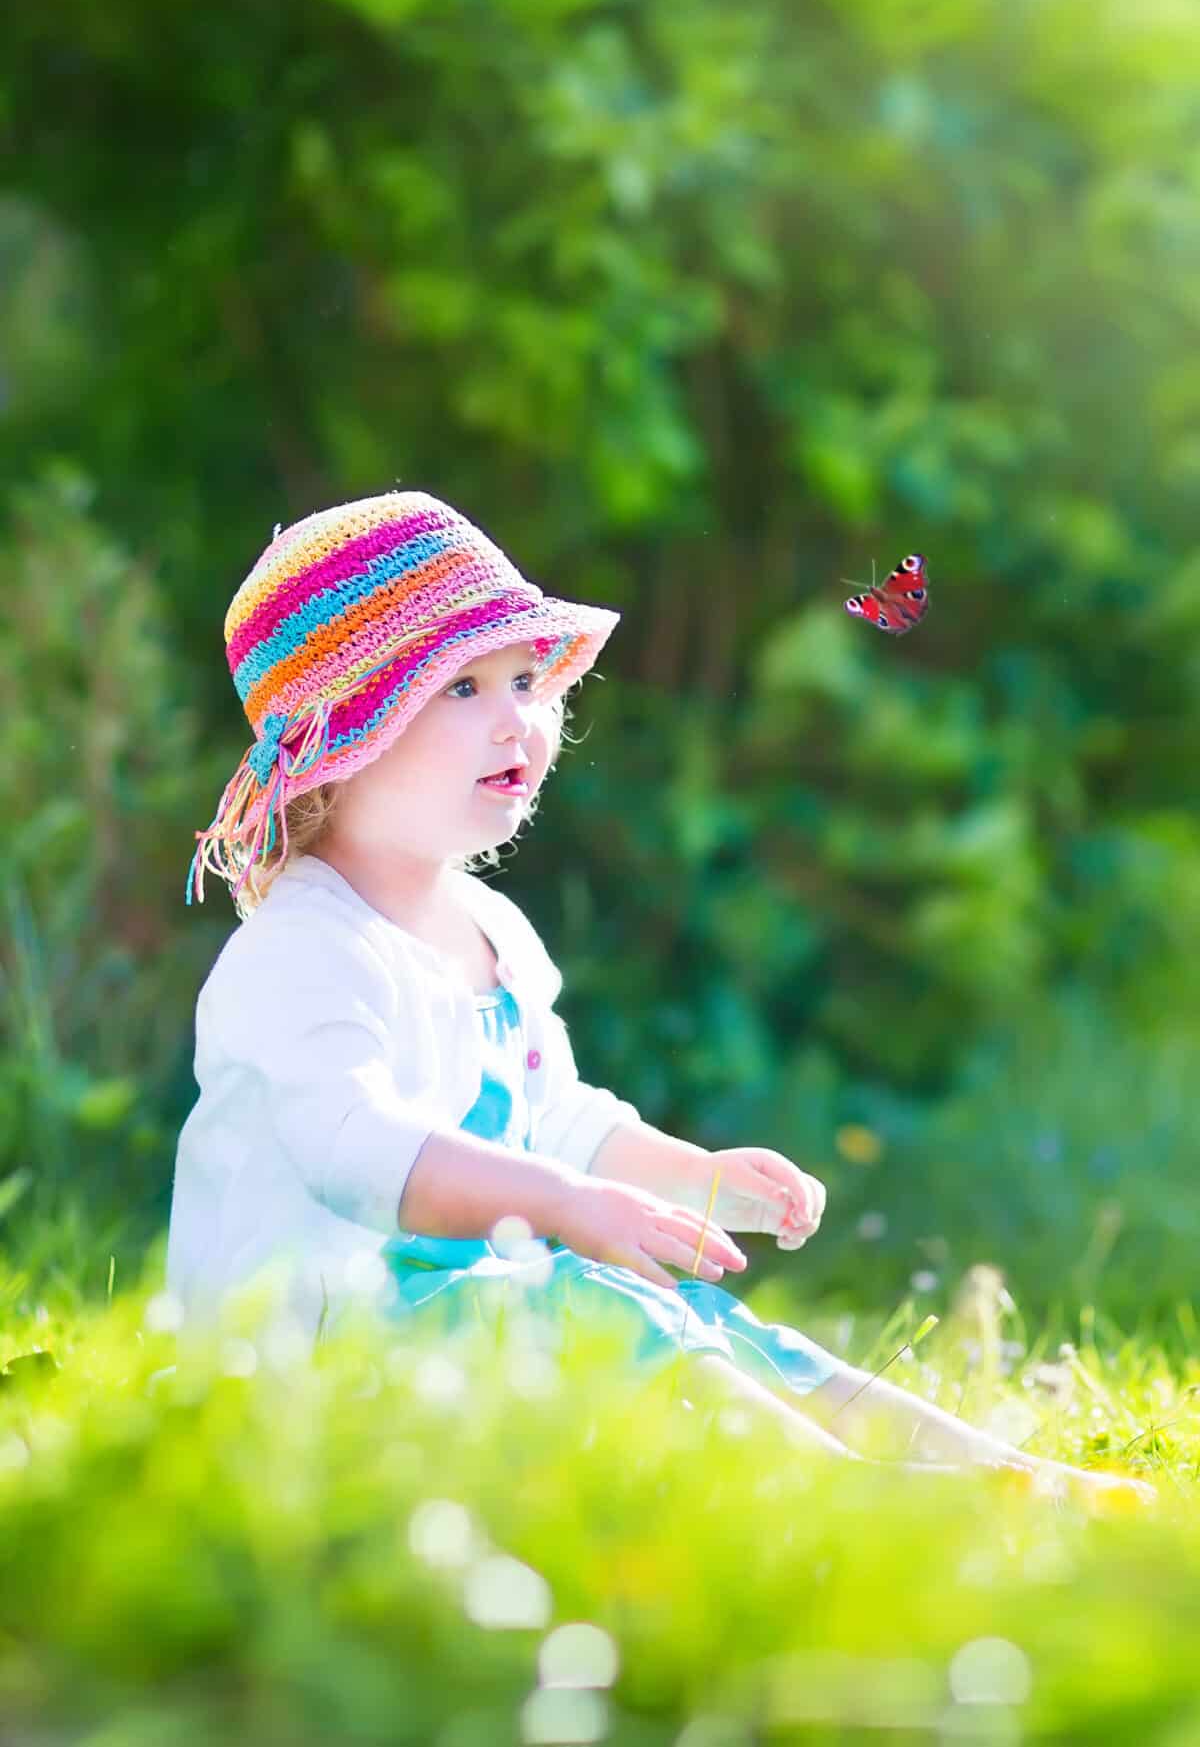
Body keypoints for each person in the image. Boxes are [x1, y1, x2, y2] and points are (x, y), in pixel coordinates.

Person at [166, 491, 1151, 1502]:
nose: (519, 717)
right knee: (595, 1304)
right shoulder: (302, 951)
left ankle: (1003, 1479)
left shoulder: (491, 931)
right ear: (341, 743)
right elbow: (355, 1149)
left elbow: (558, 1120)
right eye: (461, 688)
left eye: (524, 679)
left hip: (459, 1311)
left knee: (698, 1318)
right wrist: (560, 1205)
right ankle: (865, 1502)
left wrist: (694, 1175)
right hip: (309, 1358)